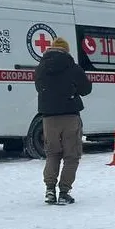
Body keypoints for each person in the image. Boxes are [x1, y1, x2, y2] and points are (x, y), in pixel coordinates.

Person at [34, 36, 91, 205]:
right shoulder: (72, 67)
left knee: (52, 153)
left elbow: (39, 87)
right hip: (70, 115)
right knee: (71, 155)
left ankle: (49, 190)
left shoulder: (41, 68)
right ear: (66, 50)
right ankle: (64, 191)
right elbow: (86, 89)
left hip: (48, 117)